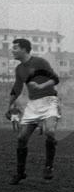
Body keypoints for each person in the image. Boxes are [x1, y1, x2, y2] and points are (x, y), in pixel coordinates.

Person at [7, 38, 60, 184]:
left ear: (24, 49)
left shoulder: (40, 62)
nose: (12, 50)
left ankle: (49, 167)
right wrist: (9, 106)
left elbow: (55, 79)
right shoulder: (19, 69)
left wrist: (41, 87)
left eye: (15, 48)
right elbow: (17, 88)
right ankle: (20, 173)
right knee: (21, 138)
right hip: (33, 104)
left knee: (50, 132)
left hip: (49, 100)